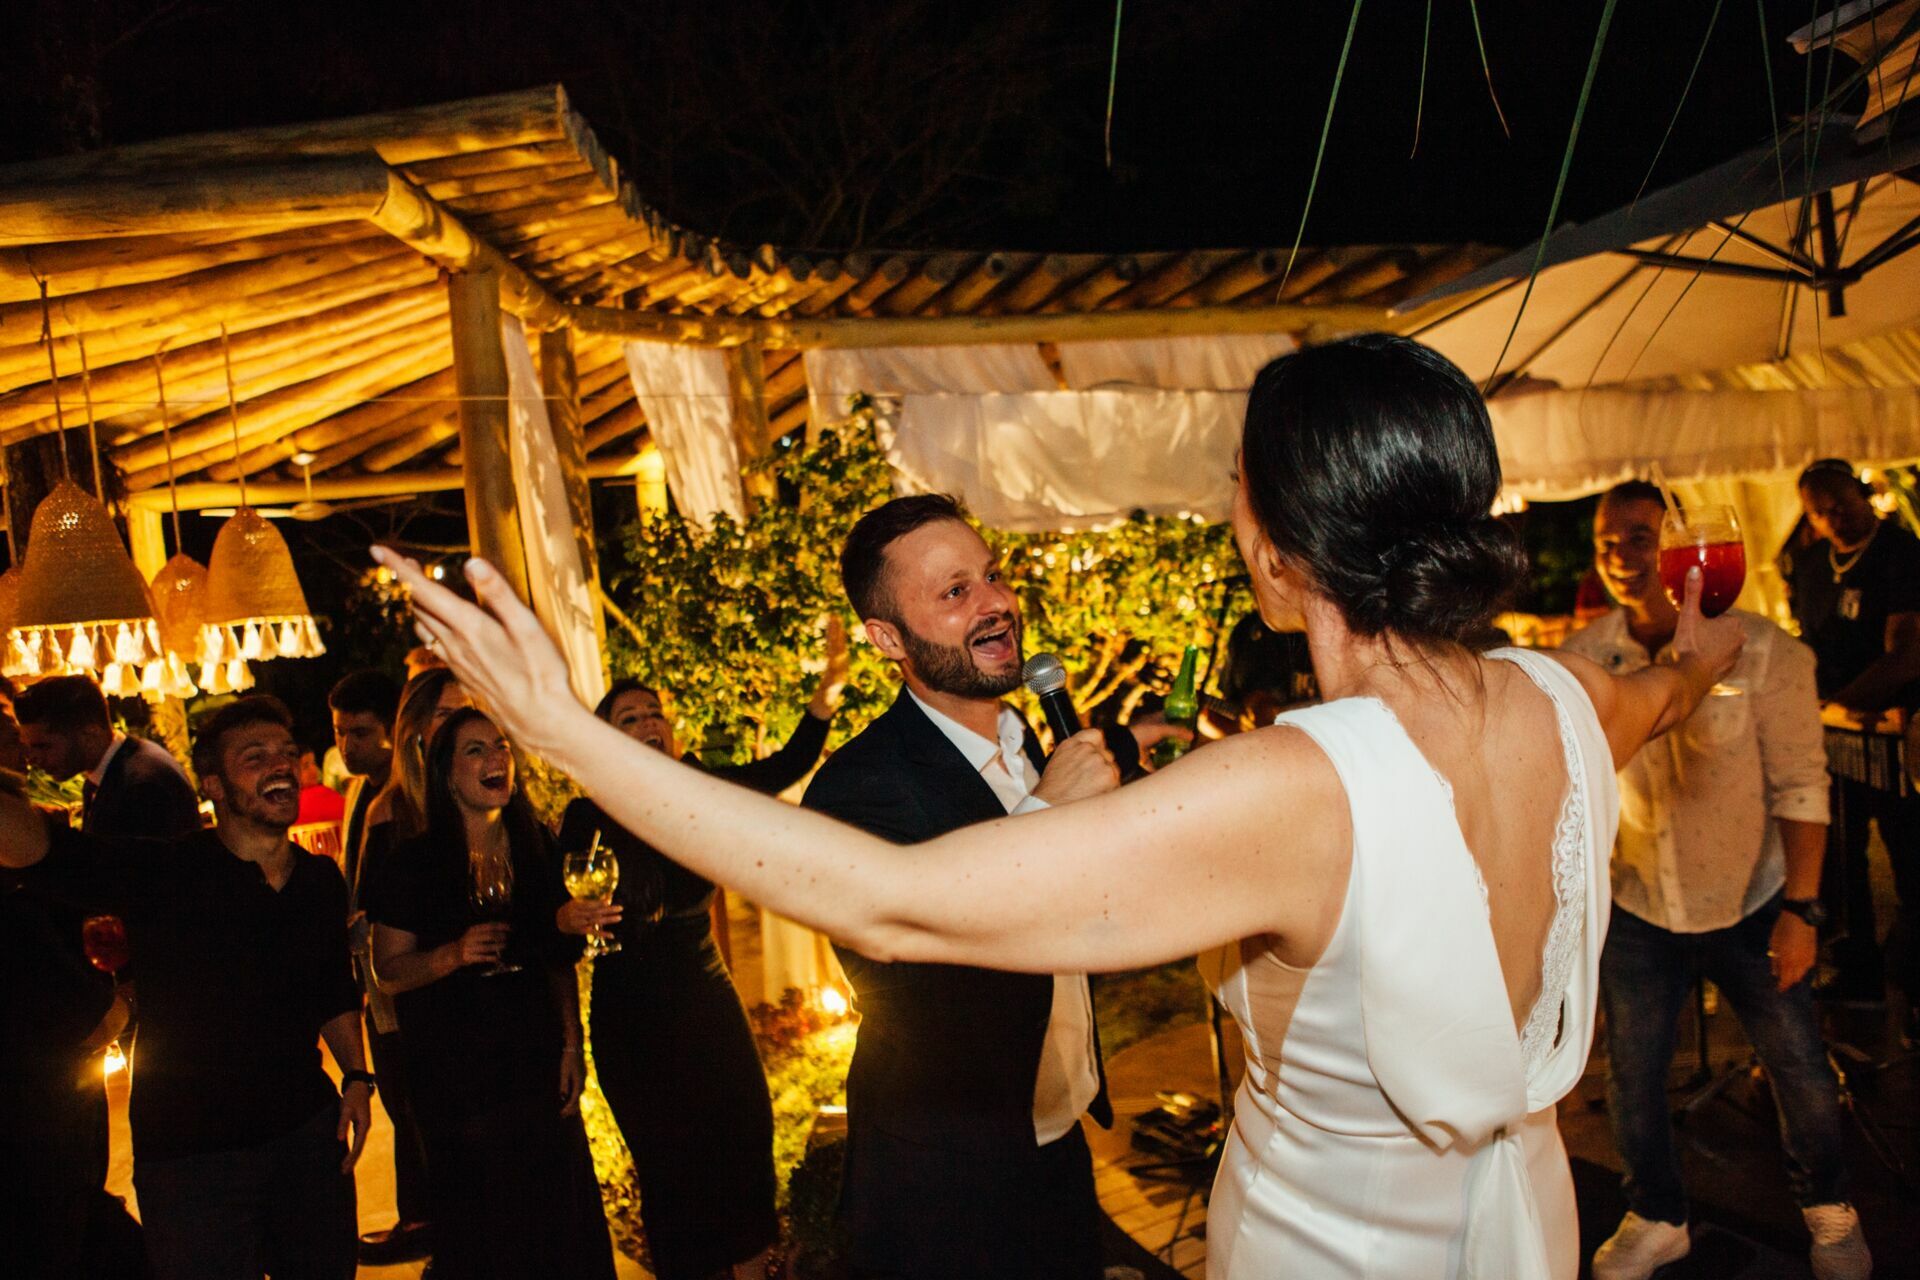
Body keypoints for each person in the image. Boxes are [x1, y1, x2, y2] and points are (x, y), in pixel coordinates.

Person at [378, 333, 1744, 1280]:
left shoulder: (1297, 786)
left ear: (1277, 544)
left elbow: (888, 897)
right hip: (1524, 1223)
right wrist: (1700, 651)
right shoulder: (1566, 699)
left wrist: (565, 732)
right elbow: (1666, 699)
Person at [791, 493, 1190, 1279]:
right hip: (948, 1175)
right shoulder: (856, 789)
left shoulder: (1029, 737)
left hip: (1058, 1136)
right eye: (954, 592)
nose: (997, 604)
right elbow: (932, 983)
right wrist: (1047, 815)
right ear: (886, 638)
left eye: (993, 576)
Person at [1566, 481, 1869, 1280]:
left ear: (1678, 549)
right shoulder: (1588, 657)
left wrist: (1801, 909)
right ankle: (1657, 1214)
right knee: (1633, 1077)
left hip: (1751, 900)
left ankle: (1829, 1210)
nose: (1619, 553)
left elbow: (1803, 786)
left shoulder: (1771, 651)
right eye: (1607, 538)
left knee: (1798, 1067)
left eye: (1639, 536)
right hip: (1639, 905)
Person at [0, 695, 370, 1280]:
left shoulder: (320, 880)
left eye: (285, 753)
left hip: (304, 1137)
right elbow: (43, 853)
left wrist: (356, 1075)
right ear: (215, 787)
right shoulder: (169, 873)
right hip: (194, 1157)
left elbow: (332, 988)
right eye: (255, 757)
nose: (279, 765)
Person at [553, 622, 850, 1280]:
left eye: (655, 712)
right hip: (632, 1016)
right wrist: (567, 917)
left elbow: (782, 769)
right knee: (671, 1172)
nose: (649, 721)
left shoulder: (698, 793)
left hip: (706, 1001)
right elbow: (550, 920)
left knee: (744, 1145)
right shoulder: (588, 816)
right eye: (630, 717)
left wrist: (825, 694)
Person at [365, 708, 615, 1280]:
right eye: (475, 750)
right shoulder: (414, 862)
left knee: (558, 1222)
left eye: (500, 746)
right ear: (447, 774)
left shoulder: (538, 851)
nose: (495, 759)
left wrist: (571, 1046)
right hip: (458, 1077)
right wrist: (451, 954)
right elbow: (388, 970)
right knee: (487, 1234)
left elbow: (555, 962)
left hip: (533, 1061)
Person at [1788, 458, 1920, 1010]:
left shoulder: (1902, 552)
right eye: (1819, 513)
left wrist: (1837, 705)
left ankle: (1913, 975)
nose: (1832, 519)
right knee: (1841, 856)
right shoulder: (1813, 563)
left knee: (1909, 852)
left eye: (1841, 505)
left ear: (1863, 495)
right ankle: (1856, 964)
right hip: (1831, 733)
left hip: (1893, 732)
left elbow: (1909, 655)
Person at [326, 669, 428, 1267]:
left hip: (406, 973)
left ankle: (426, 1222)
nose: (346, 746)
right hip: (375, 977)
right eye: (339, 732)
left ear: (394, 729)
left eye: (360, 732)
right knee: (398, 1098)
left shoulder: (407, 797)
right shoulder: (361, 790)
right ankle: (418, 1218)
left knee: (414, 1101)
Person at [16, 674, 200, 839]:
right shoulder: (118, 769)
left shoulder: (141, 786)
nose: (32, 758)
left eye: (43, 746)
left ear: (89, 734)